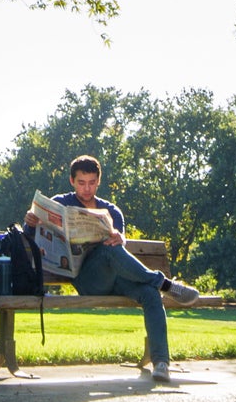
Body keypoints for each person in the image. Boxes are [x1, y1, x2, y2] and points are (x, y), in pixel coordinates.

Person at [24, 155, 200, 383]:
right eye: (81, 182)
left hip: (118, 280)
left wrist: (119, 237)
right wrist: (30, 224)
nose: (86, 189)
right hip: (87, 281)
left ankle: (161, 363)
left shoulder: (111, 212)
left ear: (99, 181)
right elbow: (29, 238)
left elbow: (121, 246)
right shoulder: (60, 204)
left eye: (91, 182)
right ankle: (164, 283)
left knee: (149, 293)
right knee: (108, 252)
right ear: (71, 181)